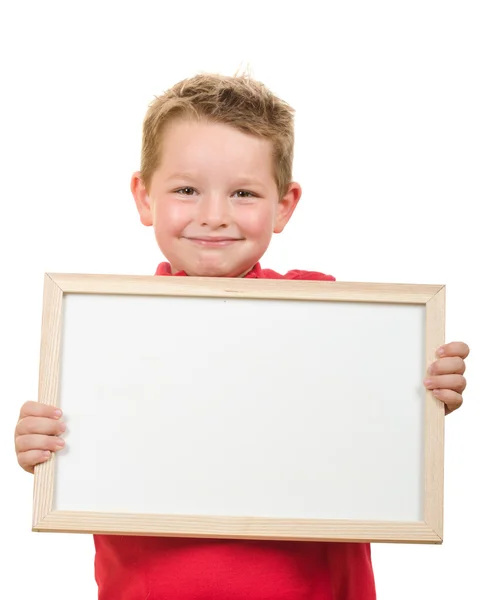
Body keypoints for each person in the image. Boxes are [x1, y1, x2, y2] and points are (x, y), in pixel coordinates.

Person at [14, 73, 469, 600]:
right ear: (143, 197)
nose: (214, 216)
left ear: (284, 205)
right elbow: (87, 454)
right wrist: (44, 447)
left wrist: (424, 391)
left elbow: (373, 426)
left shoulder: (333, 316)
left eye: (243, 193)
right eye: (186, 190)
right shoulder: (102, 333)